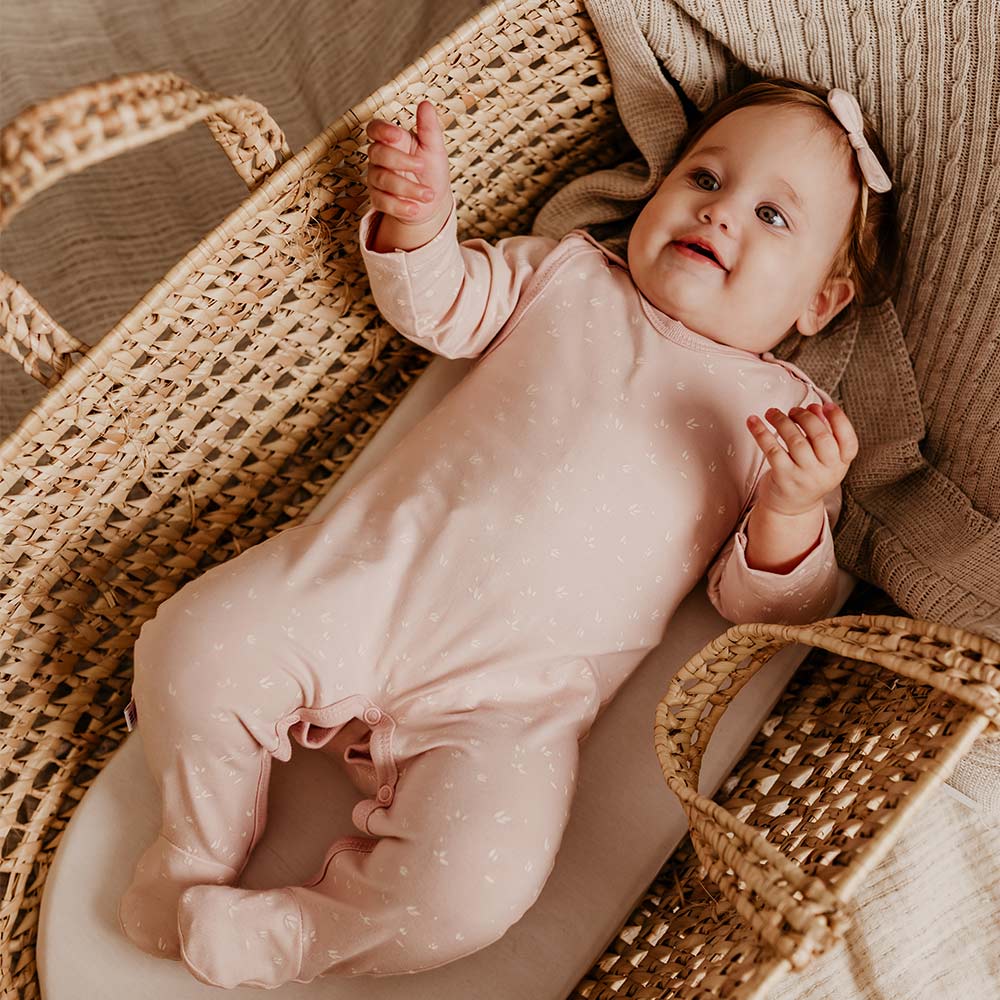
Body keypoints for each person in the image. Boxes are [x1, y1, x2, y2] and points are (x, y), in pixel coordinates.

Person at [117, 78, 901, 988]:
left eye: (771, 215)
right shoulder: (569, 276)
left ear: (821, 302)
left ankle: (295, 933)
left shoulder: (786, 423)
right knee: (194, 644)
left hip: (512, 700)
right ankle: (197, 848)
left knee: (477, 889)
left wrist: (793, 507)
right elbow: (443, 305)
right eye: (705, 178)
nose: (720, 212)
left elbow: (769, 608)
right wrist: (421, 222)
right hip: (369, 579)